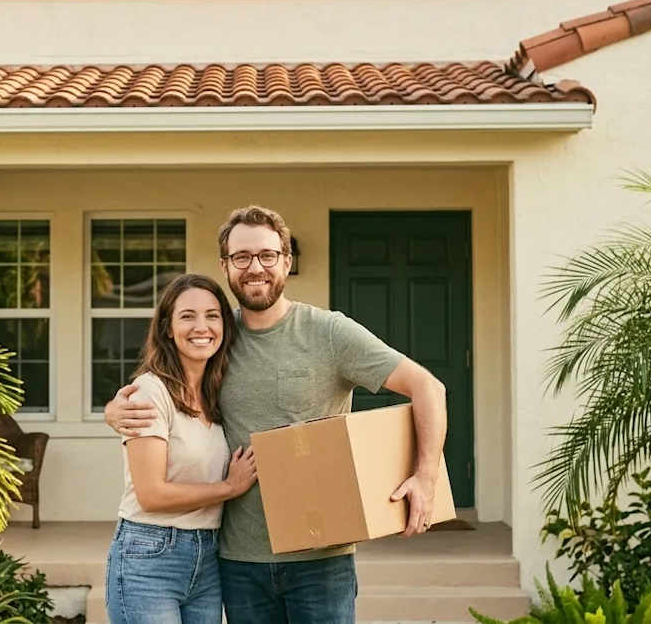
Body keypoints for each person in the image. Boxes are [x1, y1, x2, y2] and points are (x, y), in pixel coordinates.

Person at [105, 205, 448, 624]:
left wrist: (425, 477)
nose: (255, 268)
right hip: (237, 560)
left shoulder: (330, 333)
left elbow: (428, 387)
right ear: (226, 266)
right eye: (242, 257)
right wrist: (116, 409)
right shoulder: (216, 336)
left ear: (286, 260)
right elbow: (170, 387)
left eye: (267, 255)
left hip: (321, 556)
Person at [105, 272, 260, 624]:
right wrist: (229, 488)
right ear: (167, 328)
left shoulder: (218, 392)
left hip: (207, 558)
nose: (201, 327)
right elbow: (151, 494)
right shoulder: (150, 391)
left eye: (212, 315)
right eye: (187, 316)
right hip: (149, 555)